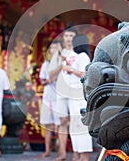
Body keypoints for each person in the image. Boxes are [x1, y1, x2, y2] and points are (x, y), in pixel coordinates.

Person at [61, 35, 93, 161]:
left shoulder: (83, 57)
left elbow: (84, 74)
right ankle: (77, 154)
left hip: (80, 94)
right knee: (74, 126)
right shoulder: (78, 57)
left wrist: (70, 69)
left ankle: (84, 156)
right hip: (72, 94)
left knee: (81, 125)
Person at [48, 26, 78, 161]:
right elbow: (51, 76)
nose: (69, 38)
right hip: (60, 91)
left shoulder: (79, 53)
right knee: (62, 122)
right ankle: (62, 154)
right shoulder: (58, 55)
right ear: (63, 38)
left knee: (76, 121)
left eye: (71, 36)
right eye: (66, 36)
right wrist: (61, 62)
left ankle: (77, 153)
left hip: (75, 92)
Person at [38, 40, 62, 158]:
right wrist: (47, 81)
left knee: (59, 125)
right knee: (47, 125)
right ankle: (47, 149)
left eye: (56, 48)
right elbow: (42, 80)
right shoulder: (45, 64)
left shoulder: (62, 64)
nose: (53, 51)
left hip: (59, 98)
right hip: (48, 97)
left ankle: (59, 150)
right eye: (52, 48)